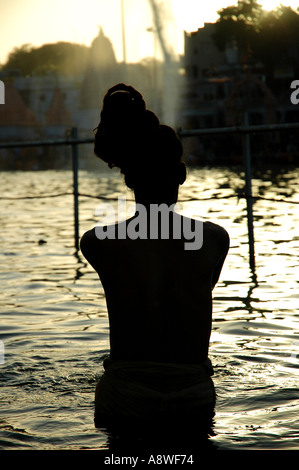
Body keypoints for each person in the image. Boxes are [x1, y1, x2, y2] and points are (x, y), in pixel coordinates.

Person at [80, 84, 229, 437]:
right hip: (191, 396)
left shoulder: (97, 243)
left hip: (126, 398)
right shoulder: (214, 240)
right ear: (181, 175)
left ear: (129, 179)